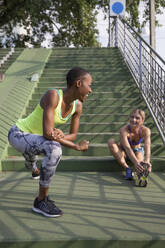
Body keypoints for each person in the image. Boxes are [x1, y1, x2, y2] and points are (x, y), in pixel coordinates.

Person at [8, 67, 92, 217]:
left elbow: (72, 135)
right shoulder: (53, 95)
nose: (90, 90)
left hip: (36, 140)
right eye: (89, 85)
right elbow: (48, 134)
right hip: (18, 134)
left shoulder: (78, 106)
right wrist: (75, 146)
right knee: (54, 148)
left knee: (39, 151)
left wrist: (61, 135)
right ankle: (41, 201)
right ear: (79, 83)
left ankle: (32, 165)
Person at [108, 109, 152, 180]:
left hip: (137, 151)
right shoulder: (124, 130)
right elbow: (127, 148)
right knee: (111, 141)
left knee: (140, 160)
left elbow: (147, 146)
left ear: (142, 120)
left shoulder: (146, 131)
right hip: (124, 151)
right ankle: (127, 168)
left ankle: (141, 175)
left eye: (137, 118)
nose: (133, 120)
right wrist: (136, 162)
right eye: (132, 117)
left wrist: (147, 161)